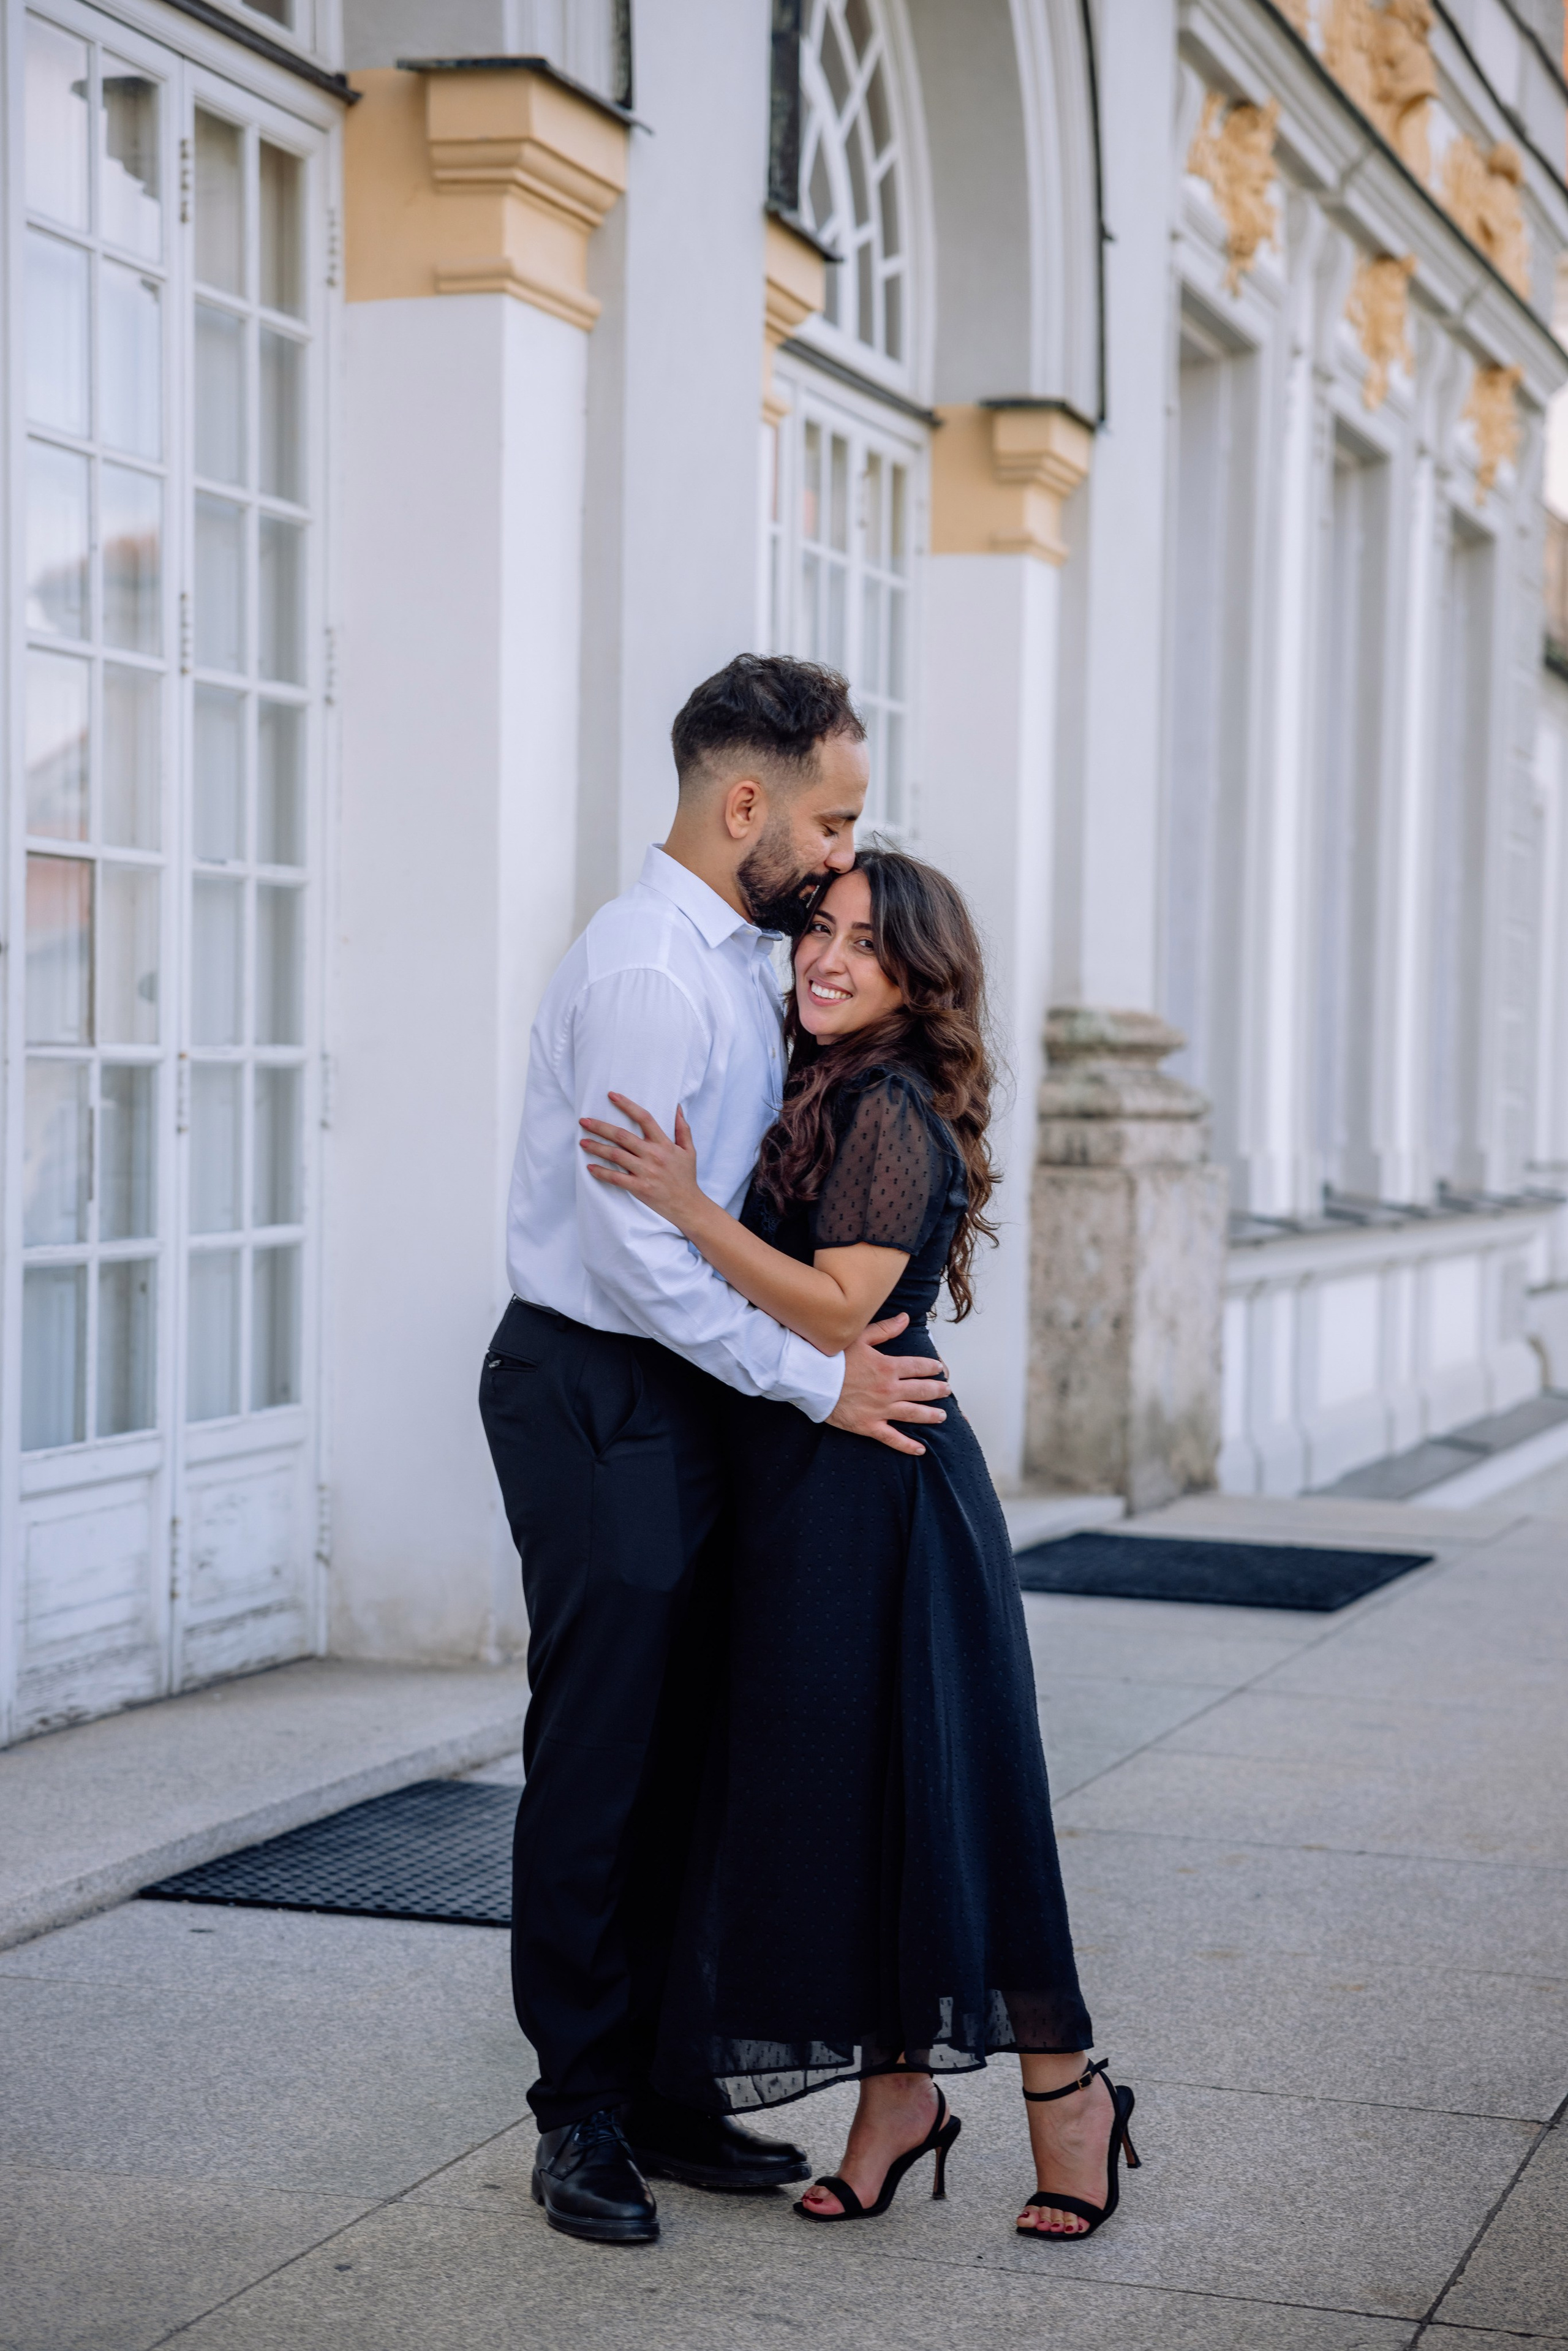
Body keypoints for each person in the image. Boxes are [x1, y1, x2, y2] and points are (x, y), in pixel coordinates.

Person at [578, 849, 1141, 2240]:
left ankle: (1070, 2094)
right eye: (815, 931)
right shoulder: (819, 1080)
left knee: (955, 1800)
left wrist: (681, 1202)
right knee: (849, 1802)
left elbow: (837, 1311)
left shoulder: (888, 1101)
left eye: (862, 945)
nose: (823, 958)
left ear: (916, 978)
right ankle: (896, 2099)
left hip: (884, 1495)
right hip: (807, 1489)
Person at [479, 657, 954, 2247]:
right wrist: (816, 1382)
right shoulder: (645, 973)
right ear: (744, 803)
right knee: (607, 1754)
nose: (841, 857)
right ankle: (583, 2115)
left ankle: (674, 2087)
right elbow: (636, 1261)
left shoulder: (748, 957)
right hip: (600, 1386)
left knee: (698, 1753)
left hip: (694, 1392)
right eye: (831, 819)